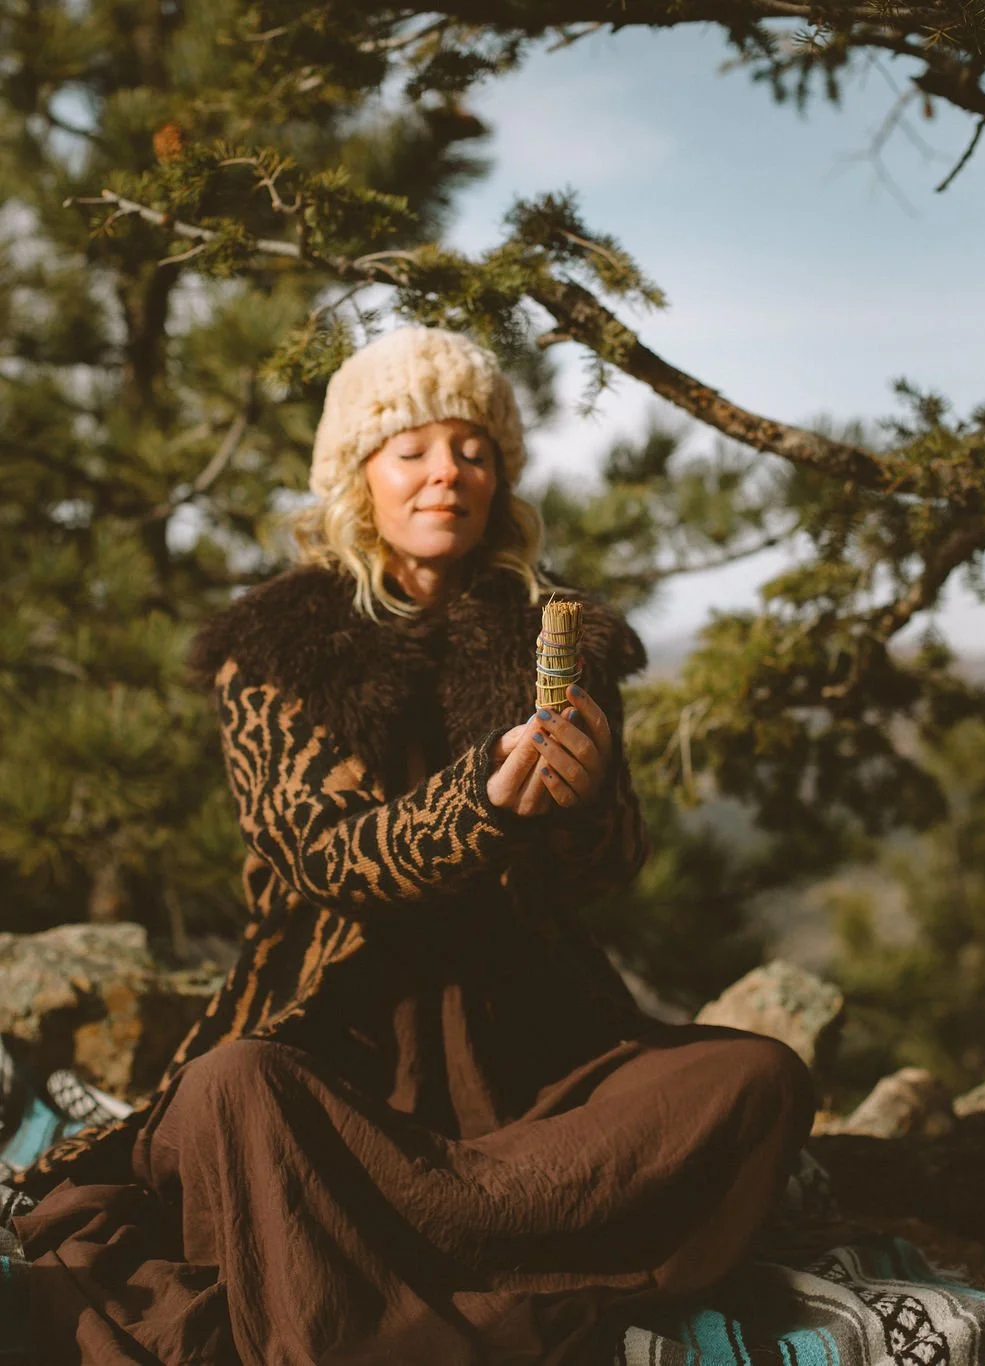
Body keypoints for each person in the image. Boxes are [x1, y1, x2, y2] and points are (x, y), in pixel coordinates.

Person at [9, 327, 815, 1366]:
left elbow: (612, 867)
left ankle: (387, 1237)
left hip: (529, 1052)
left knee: (757, 1079)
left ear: (502, 477)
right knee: (234, 1090)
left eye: (473, 448)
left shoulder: (556, 638)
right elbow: (325, 854)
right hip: (339, 1036)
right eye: (411, 448)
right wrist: (478, 798)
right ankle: (467, 1251)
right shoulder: (276, 649)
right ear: (359, 478)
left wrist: (578, 800)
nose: (447, 472)